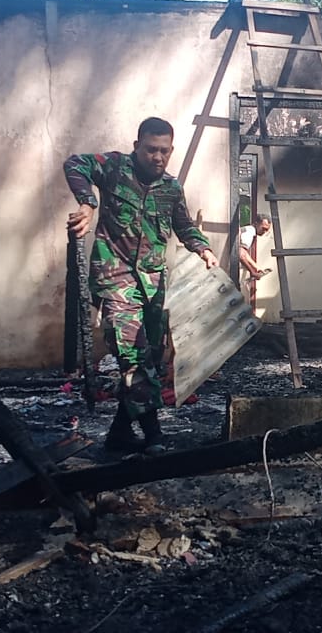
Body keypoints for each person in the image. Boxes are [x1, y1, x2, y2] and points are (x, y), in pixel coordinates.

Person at [64, 117, 218, 456]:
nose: (157, 157)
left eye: (164, 151)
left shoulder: (171, 189)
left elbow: (184, 225)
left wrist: (203, 249)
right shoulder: (115, 168)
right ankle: (153, 435)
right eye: (151, 149)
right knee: (133, 356)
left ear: (171, 151)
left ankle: (119, 433)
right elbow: (75, 163)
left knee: (151, 362)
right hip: (115, 277)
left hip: (153, 284)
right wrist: (88, 202)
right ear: (137, 146)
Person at [237, 212, 272, 300]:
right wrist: (252, 272)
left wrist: (256, 267)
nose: (264, 232)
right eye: (263, 229)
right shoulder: (249, 232)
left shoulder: (249, 231)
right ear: (256, 223)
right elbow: (241, 254)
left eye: (266, 230)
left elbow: (244, 253)